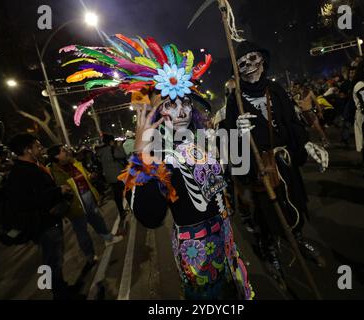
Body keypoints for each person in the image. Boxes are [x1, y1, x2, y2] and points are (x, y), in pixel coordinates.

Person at [61, 33, 254, 300]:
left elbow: (235, 174)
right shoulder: (158, 155)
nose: (182, 111)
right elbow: (150, 217)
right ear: (155, 113)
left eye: (185, 102)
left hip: (227, 238)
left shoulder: (202, 142)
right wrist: (141, 154)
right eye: (170, 105)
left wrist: (241, 137)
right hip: (196, 251)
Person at [222, 41, 329, 286]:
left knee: (293, 201)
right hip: (259, 167)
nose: (248, 65)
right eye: (242, 62)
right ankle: (270, 249)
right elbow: (228, 138)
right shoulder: (235, 100)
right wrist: (238, 132)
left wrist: (306, 145)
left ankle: (297, 237)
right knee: (266, 211)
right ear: (237, 70)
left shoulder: (276, 90)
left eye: (253, 58)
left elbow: (292, 123)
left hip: (283, 161)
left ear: (262, 60)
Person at [5, 134, 72, 299]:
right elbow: (27, 201)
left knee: (52, 258)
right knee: (52, 260)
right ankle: (58, 293)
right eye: (37, 146)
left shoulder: (33, 166)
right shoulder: (21, 172)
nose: (40, 148)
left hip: (49, 221)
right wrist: (58, 191)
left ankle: (57, 288)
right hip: (44, 224)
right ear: (28, 150)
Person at [48, 145, 123, 265]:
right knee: (81, 230)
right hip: (74, 203)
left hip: (88, 195)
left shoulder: (75, 163)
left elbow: (84, 176)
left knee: (97, 219)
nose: (66, 152)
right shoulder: (54, 172)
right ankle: (90, 255)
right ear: (56, 156)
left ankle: (108, 238)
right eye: (63, 151)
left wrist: (90, 176)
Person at [95, 134, 129, 235]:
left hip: (109, 177)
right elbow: (123, 155)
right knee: (126, 191)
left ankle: (121, 211)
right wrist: (118, 146)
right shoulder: (112, 149)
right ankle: (132, 207)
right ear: (111, 141)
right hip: (118, 175)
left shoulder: (100, 151)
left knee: (117, 195)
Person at [293, 82, 329, 146]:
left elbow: (316, 102)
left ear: (301, 87)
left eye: (297, 87)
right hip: (303, 114)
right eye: (295, 88)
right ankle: (307, 143)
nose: (296, 89)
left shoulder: (309, 93)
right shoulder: (296, 96)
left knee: (318, 127)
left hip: (310, 112)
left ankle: (325, 141)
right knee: (307, 129)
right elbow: (296, 106)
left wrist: (320, 111)